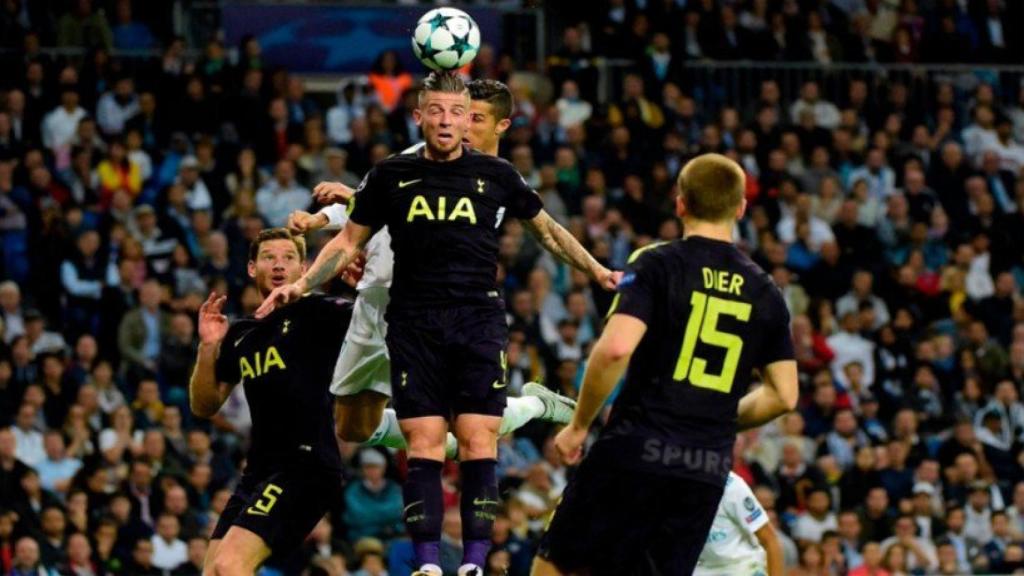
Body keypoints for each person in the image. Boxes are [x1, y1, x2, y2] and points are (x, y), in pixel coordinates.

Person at [258, 72, 618, 576]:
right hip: (408, 319)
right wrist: (303, 282)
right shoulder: (390, 173)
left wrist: (598, 270)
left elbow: (549, 233)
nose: (449, 121)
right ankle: (427, 566)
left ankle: (472, 564)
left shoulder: (496, 174)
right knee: (394, 437)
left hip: (476, 320)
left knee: (478, 441)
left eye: (459, 112)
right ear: (420, 116)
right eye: (439, 111)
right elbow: (348, 239)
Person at [286, 79, 580, 461]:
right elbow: (368, 202)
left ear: (499, 126)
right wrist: (319, 218)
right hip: (374, 301)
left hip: (430, 311)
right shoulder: (421, 154)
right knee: (352, 427)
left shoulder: (501, 181)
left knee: (468, 421)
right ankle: (451, 444)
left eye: (471, 117)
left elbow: (543, 233)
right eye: (456, 113)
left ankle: (533, 407)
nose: (457, 124)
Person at [532, 153, 798, 575]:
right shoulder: (766, 291)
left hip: (635, 449)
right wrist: (717, 423)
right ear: (741, 207)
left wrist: (580, 424)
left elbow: (616, 348)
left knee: (557, 568)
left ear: (680, 204)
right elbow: (784, 395)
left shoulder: (657, 262)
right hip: (704, 470)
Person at [189, 228, 353, 575]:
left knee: (231, 566)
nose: (279, 265)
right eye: (269, 258)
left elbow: (378, 317)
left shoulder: (322, 312)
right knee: (213, 572)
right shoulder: (241, 333)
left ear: (304, 268)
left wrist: (367, 288)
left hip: (306, 465)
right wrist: (207, 347)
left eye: (289, 258)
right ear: (252, 268)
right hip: (258, 472)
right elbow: (204, 406)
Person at [694, 471, 784, 575]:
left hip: (743, 566)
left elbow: (770, 540)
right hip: (702, 567)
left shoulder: (732, 486)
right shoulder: (673, 486)